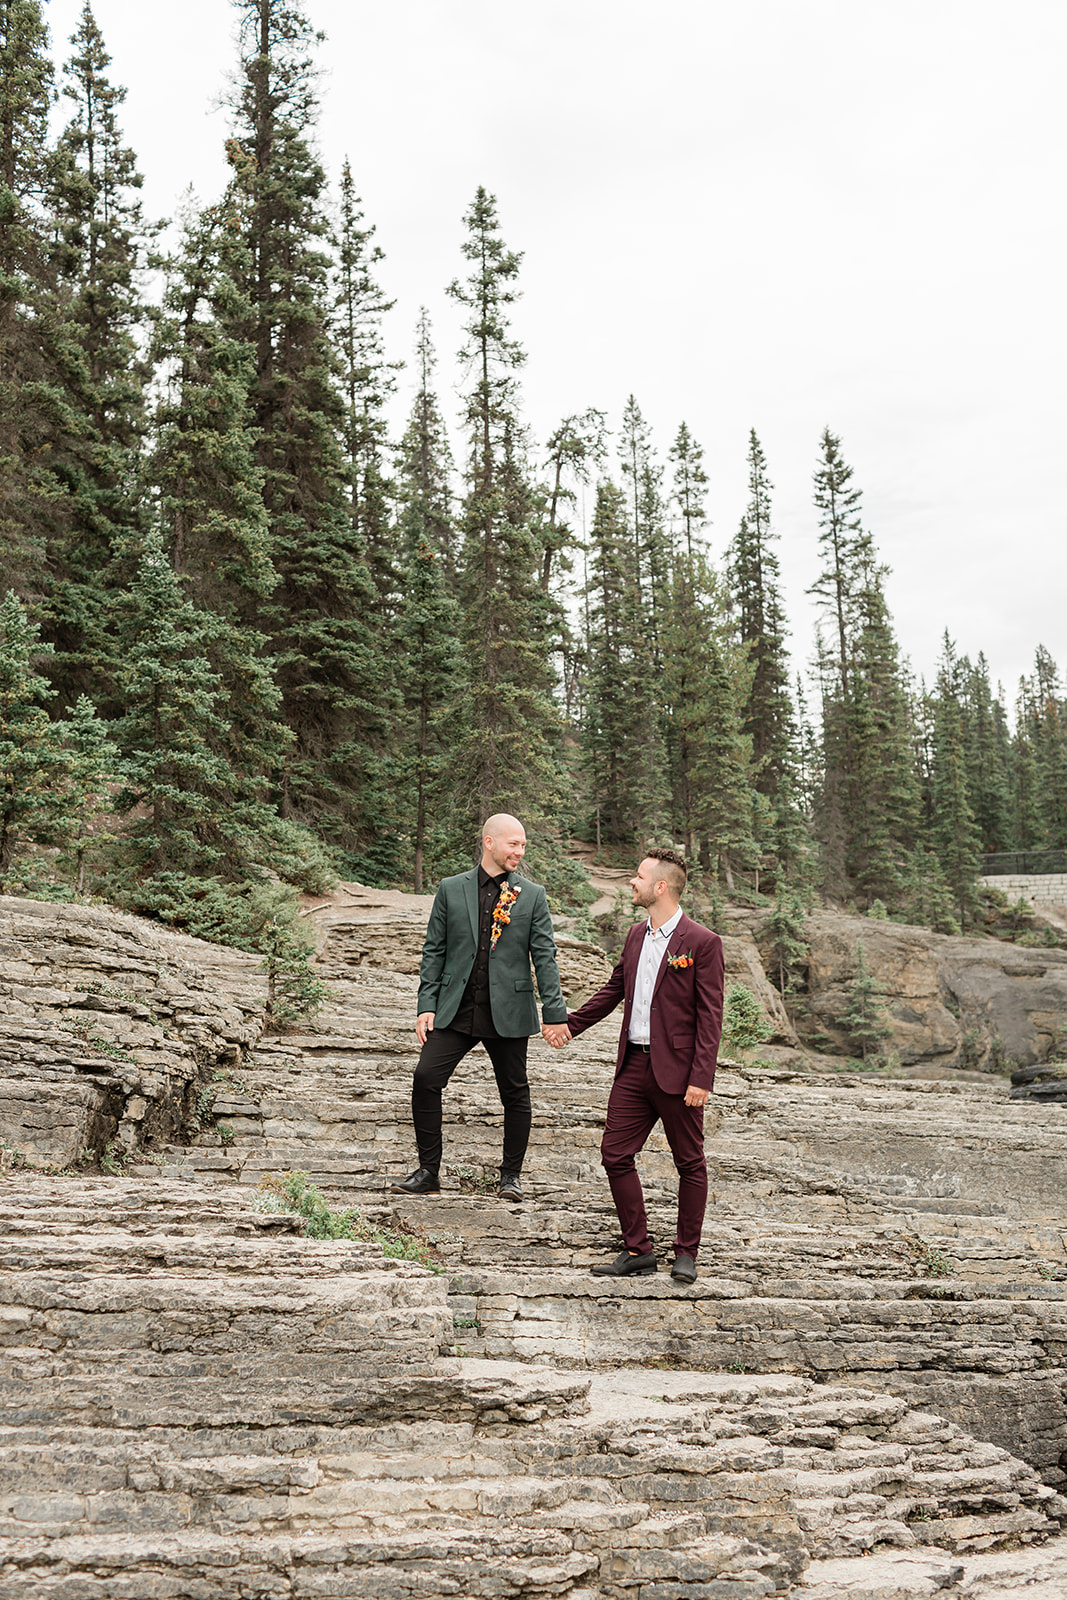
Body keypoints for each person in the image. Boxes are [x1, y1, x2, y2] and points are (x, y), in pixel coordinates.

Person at [547, 847, 724, 1282]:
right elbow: (613, 991)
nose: (632, 882)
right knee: (615, 1154)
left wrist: (702, 1077)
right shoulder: (634, 935)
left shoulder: (702, 942)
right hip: (633, 1067)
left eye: (639, 876)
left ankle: (686, 1253)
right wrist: (569, 1025)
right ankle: (639, 1249)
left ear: (660, 887)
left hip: (679, 1074)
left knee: (689, 1163)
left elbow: (710, 1016)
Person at [391, 814, 569, 1204]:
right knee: (425, 1079)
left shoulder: (533, 895)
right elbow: (433, 951)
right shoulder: (451, 889)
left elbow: (545, 956)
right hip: (456, 1009)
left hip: (509, 1011)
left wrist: (555, 1012)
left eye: (523, 845)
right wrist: (426, 1004)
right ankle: (428, 1172)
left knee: (515, 1094)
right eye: (513, 844)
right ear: (489, 842)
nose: (520, 852)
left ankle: (511, 1178)